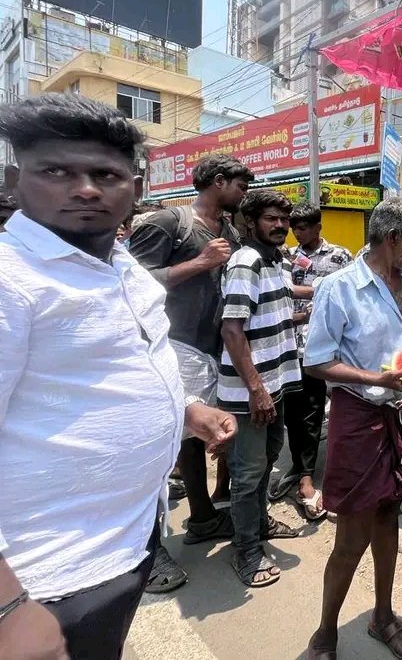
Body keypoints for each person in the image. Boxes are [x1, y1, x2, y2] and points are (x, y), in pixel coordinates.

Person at [0, 94, 235, 660]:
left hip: (127, 542)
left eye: (105, 173)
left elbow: (111, 372)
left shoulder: (121, 265)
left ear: (135, 185)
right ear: (15, 180)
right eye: (56, 171)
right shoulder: (11, 281)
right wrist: (9, 609)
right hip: (45, 576)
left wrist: (183, 411)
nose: (84, 189)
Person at [304, 198, 402, 660]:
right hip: (358, 419)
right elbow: (316, 361)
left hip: (401, 417)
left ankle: (382, 615)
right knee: (351, 538)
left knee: (388, 519)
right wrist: (375, 379)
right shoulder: (339, 288)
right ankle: (325, 633)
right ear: (392, 238)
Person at [128, 153, 254, 591]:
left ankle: (201, 517)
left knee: (196, 441)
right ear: (218, 182)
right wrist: (199, 263)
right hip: (172, 348)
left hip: (212, 349)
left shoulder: (232, 230)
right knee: (161, 449)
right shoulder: (169, 222)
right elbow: (131, 284)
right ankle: (146, 551)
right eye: (240, 185)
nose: (244, 193)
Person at [220, 189, 305, 587]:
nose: (280, 226)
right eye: (271, 219)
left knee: (268, 460)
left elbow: (274, 313)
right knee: (249, 471)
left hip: (277, 383)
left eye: (283, 220)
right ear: (250, 222)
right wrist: (256, 390)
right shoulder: (245, 261)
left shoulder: (279, 261)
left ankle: (259, 525)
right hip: (250, 391)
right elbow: (232, 330)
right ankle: (247, 550)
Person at [270, 202, 353, 521]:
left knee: (319, 410)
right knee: (296, 410)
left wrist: (309, 299)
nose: (298, 233)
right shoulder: (286, 256)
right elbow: (279, 294)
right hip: (291, 345)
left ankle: (310, 474)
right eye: (295, 228)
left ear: (318, 227)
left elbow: (346, 296)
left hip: (325, 347)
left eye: (303, 227)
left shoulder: (340, 256)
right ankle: (301, 469)